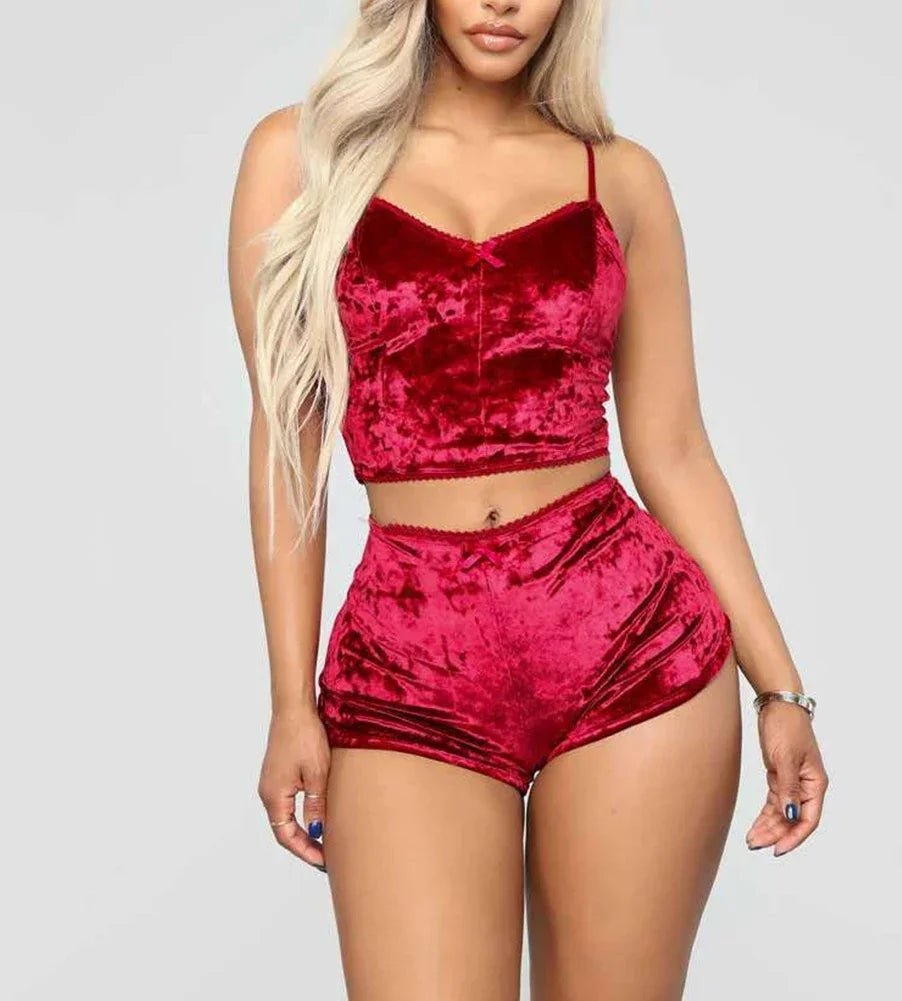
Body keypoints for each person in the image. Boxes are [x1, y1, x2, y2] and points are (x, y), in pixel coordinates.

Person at [227, 2, 829, 997]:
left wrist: (778, 687)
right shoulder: (299, 157)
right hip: (408, 664)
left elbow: (673, 450)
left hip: (632, 653)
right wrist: (290, 702)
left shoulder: (619, 178)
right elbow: (286, 444)